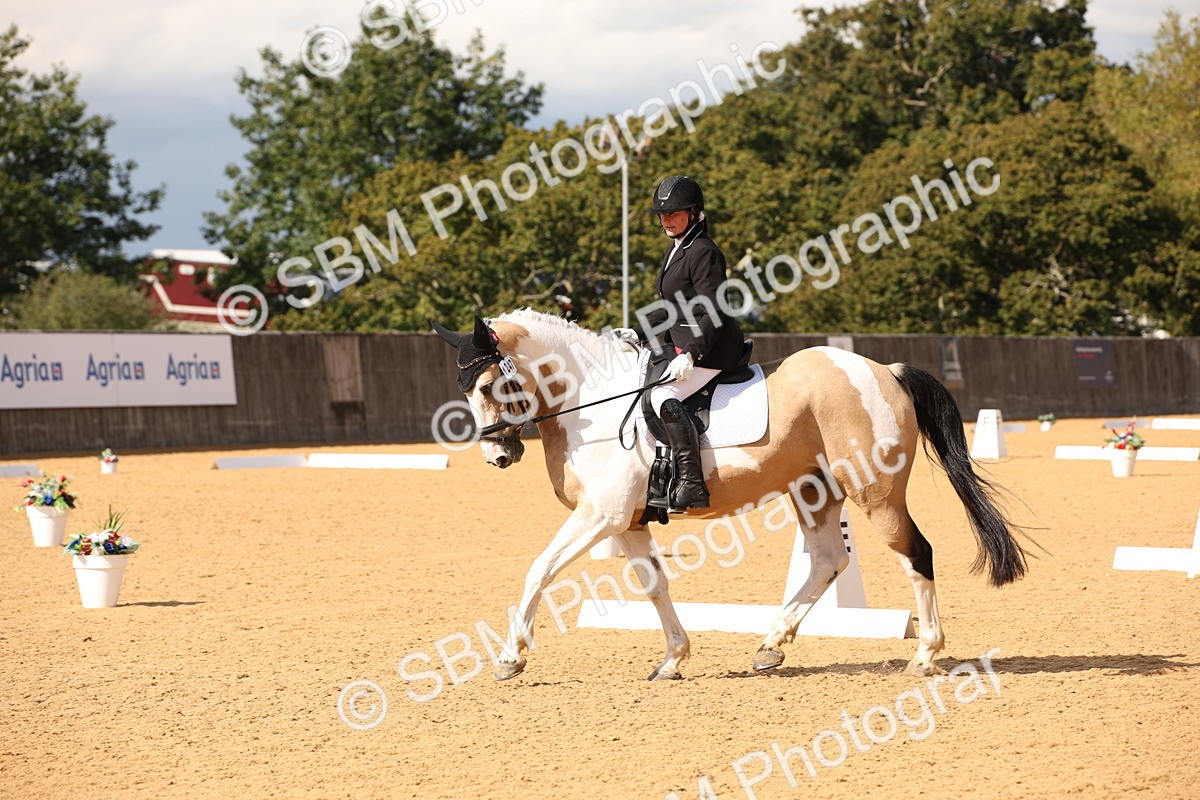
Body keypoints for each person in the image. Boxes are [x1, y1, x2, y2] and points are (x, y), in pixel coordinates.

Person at [616, 175, 746, 511]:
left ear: (694, 213)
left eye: (673, 213)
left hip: (713, 348)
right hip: (684, 343)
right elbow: (672, 308)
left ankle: (691, 482)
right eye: (662, 214)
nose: (666, 219)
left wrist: (692, 354)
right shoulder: (677, 249)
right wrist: (637, 331)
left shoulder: (703, 251)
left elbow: (714, 309)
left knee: (662, 394)